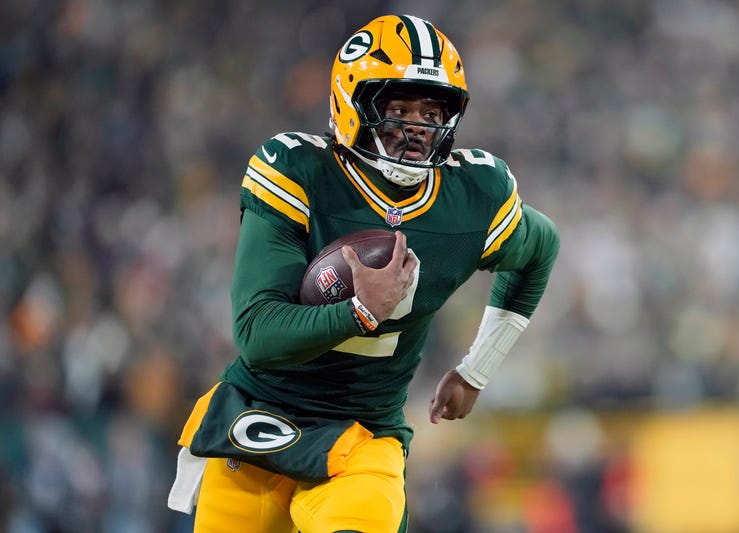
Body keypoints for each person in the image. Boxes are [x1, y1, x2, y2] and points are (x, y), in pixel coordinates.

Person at [167, 13, 559, 533]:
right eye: (398, 108)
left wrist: (476, 369)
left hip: (363, 434)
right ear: (353, 102)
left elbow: (541, 248)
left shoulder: (474, 196)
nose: (417, 127)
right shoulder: (300, 172)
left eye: (431, 110)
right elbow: (256, 334)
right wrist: (359, 312)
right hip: (257, 419)